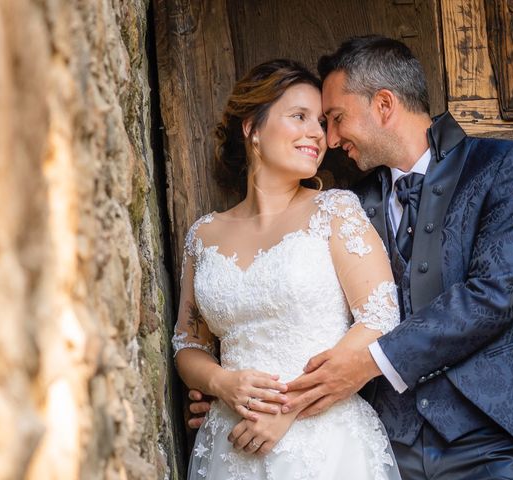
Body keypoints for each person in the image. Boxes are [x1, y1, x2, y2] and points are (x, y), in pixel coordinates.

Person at [277, 36, 513, 479]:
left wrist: (371, 361)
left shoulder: (506, 166)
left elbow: (494, 294)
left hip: (490, 441)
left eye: (336, 118)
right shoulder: (347, 206)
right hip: (387, 447)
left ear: (384, 105)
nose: (330, 140)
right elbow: (308, 309)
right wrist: (238, 387)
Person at [172, 59, 402, 479]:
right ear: (252, 127)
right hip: (229, 445)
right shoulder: (203, 236)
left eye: (321, 122)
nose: (317, 133)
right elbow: (188, 344)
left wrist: (288, 408)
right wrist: (223, 384)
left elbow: (381, 319)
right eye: (299, 117)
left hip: (325, 444)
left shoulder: (335, 211)